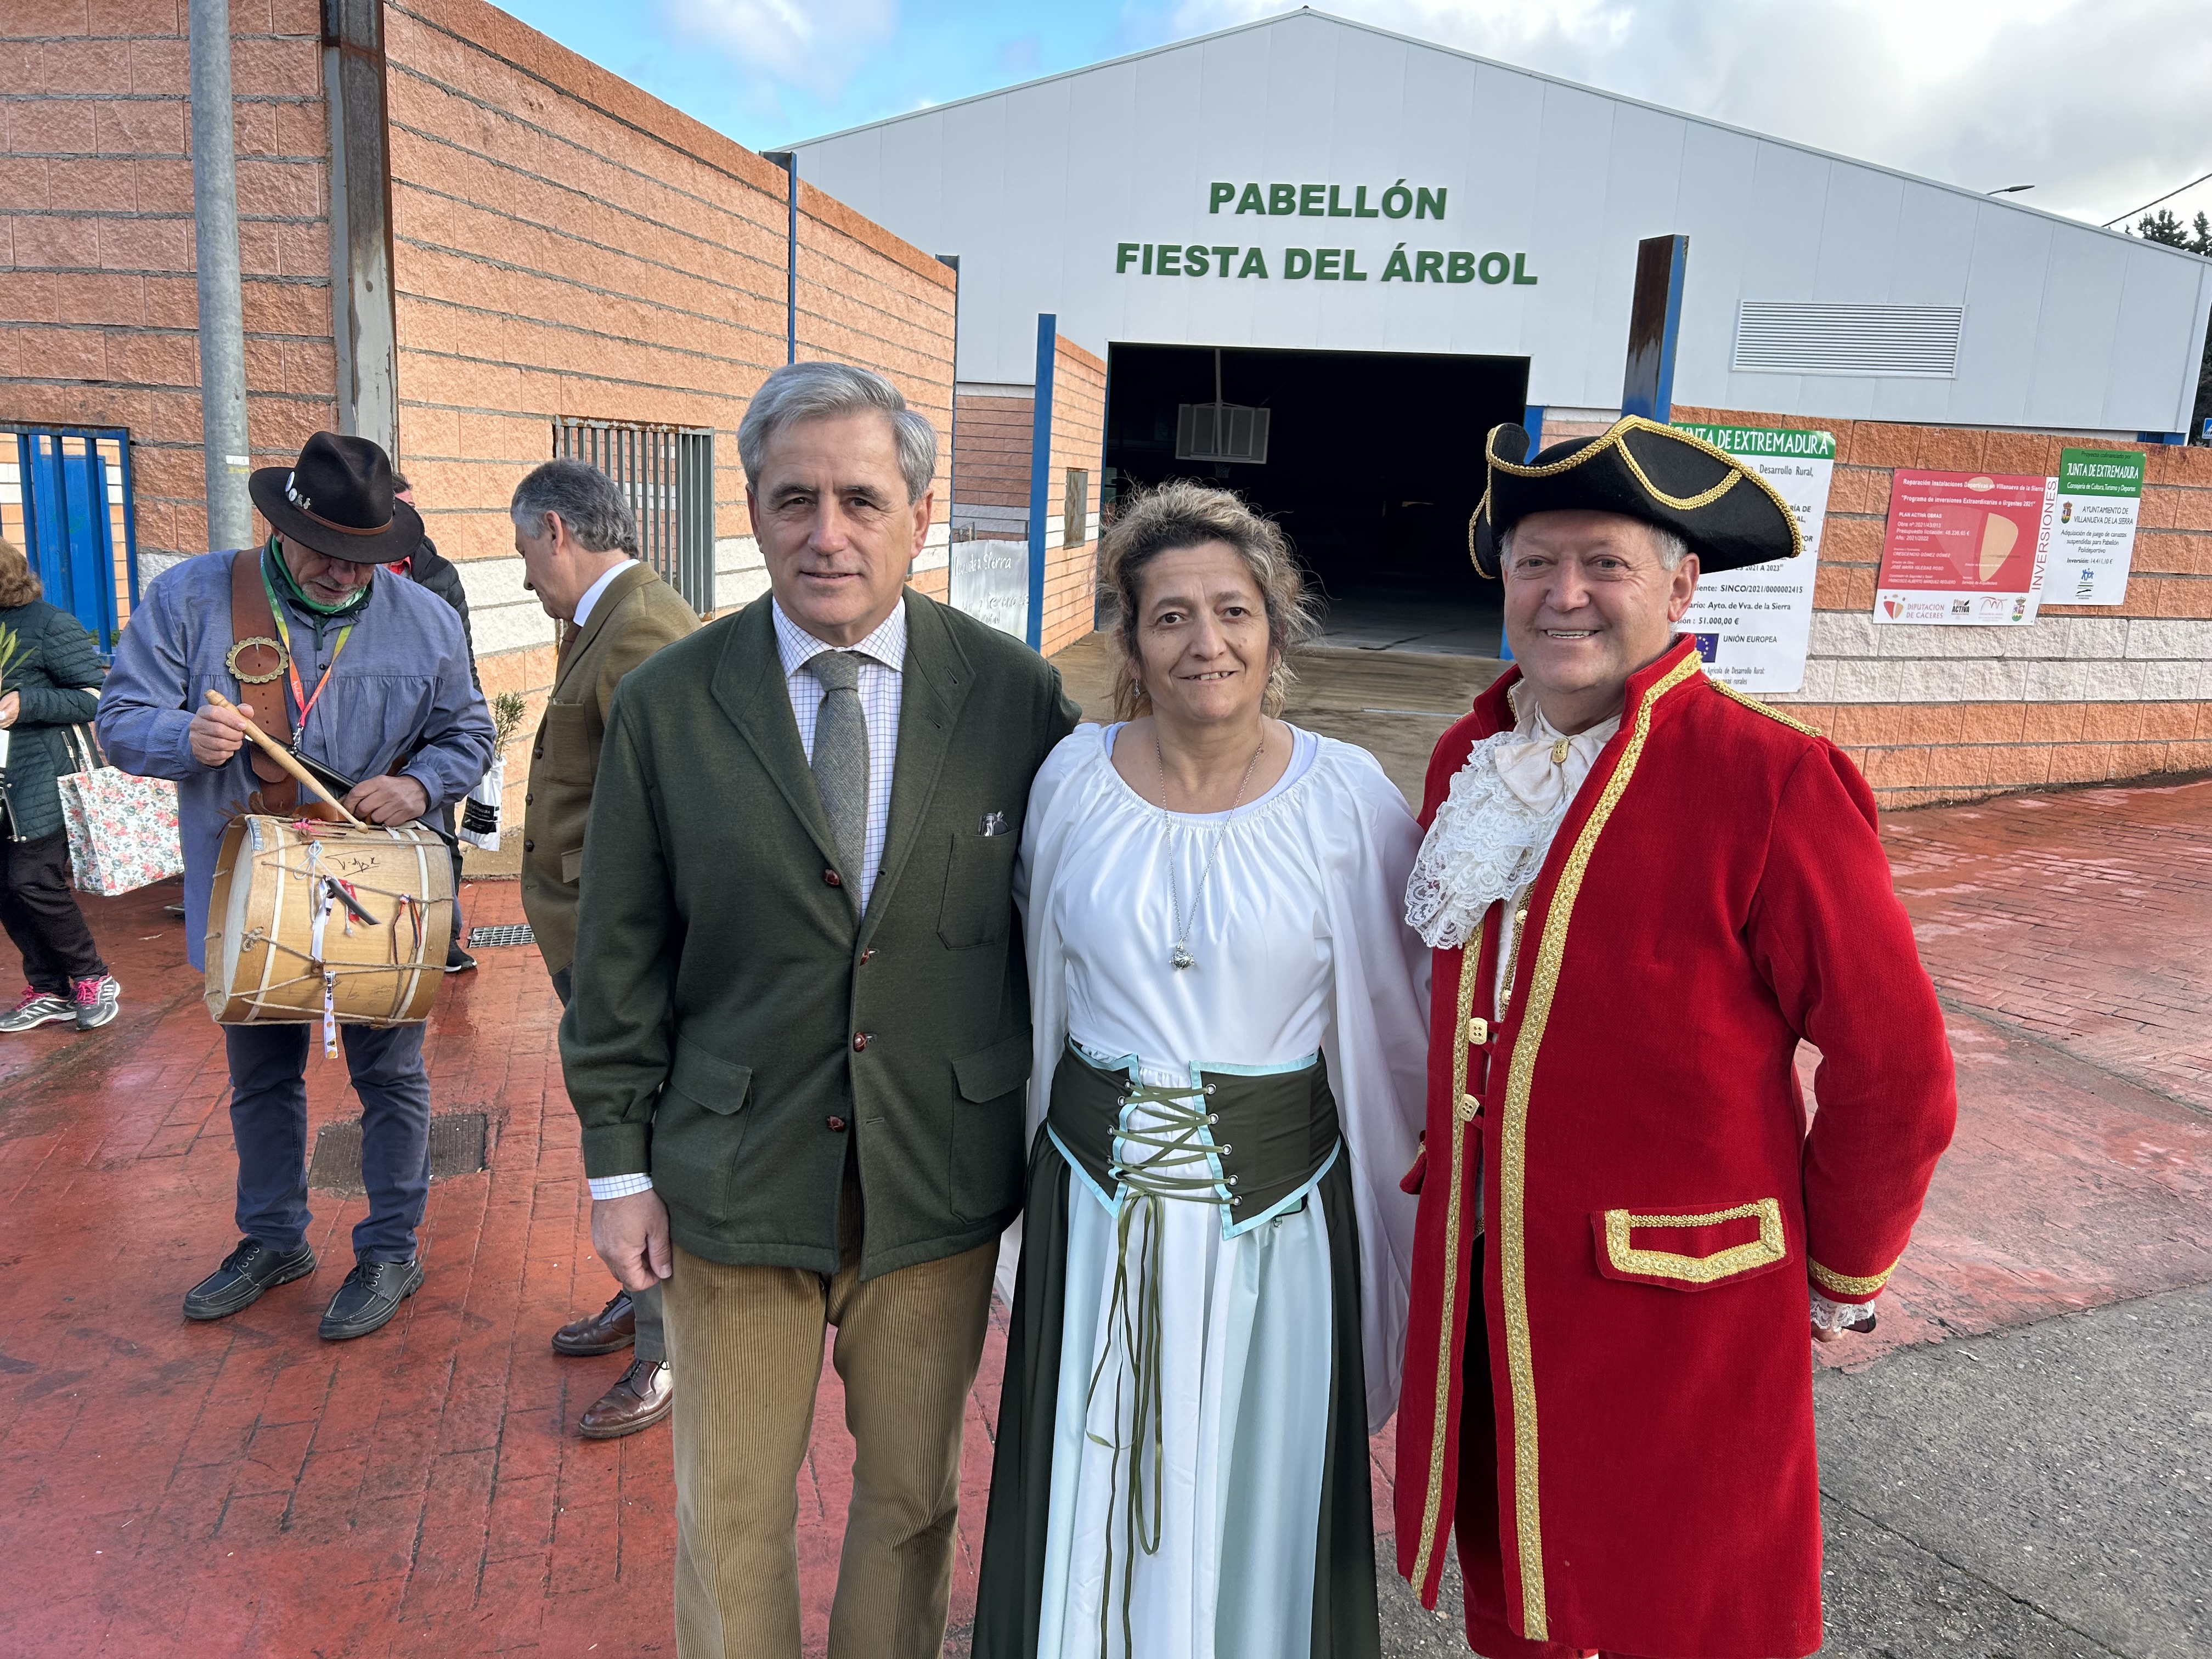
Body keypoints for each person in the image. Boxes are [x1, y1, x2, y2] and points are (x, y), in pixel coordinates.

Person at [1390, 417, 1957, 1659]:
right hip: (1490, 1290)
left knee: (1681, 1607)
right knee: (1526, 1596)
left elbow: (1898, 1070)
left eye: (1605, 562)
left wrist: (1839, 1269)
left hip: (1680, 1311)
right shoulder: (1464, 761)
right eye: (1537, 562)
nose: (1566, 594)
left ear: (1681, 582)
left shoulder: (1771, 777)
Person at [560, 359, 1079, 1657]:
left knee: (911, 1505)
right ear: (750, 508)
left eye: (861, 497)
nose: (827, 532)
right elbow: (617, 950)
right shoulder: (674, 702)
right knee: (729, 1511)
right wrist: (617, 1165)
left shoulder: (1013, 696)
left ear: (919, 510)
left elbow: (1084, 912)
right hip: (733, 1175)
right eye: (795, 499)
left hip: (937, 1180)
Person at [973, 483, 1429, 1657]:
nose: (1204, 641)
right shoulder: (1070, 777)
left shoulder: (1348, 799)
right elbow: (1036, 986)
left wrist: (1398, 1227)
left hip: (1271, 1230)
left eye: (1232, 610)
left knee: (1252, 1494)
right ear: (1126, 638)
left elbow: (1391, 1028)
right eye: (1168, 616)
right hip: (1093, 1209)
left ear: (1276, 627)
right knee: (1091, 1480)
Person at [99, 431, 494, 1341]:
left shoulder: (424, 618)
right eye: (325, 550)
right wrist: (180, 740)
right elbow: (121, 718)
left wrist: (420, 784)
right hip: (252, 889)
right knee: (262, 1075)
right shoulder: (193, 598)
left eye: (363, 555)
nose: (342, 571)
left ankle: (391, 1245)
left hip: (376, 887)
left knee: (390, 1076)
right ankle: (274, 1237)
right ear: (282, 524)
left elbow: (467, 734)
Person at [512, 457, 699, 1439]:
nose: (526, 578)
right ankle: (640, 1302)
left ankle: (664, 1348)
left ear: (555, 529)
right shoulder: (607, 619)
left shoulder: (642, 624)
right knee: (618, 1129)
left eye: (524, 555)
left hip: (618, 941)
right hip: (591, 933)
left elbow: (670, 808)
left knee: (636, 1135)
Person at [0, 537, 119, 1033]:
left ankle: (93, 978)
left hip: (41, 777)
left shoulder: (48, 624)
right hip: (3, 784)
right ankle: (50, 989)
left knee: (31, 878)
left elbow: (97, 695)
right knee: (5, 888)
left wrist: (28, 703)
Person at [388, 470, 481, 973]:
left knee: (440, 837)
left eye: (411, 505)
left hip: (428, 739)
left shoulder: (436, 571)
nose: (410, 517)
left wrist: (473, 725)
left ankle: (443, 935)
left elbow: (461, 654)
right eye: (399, 506)